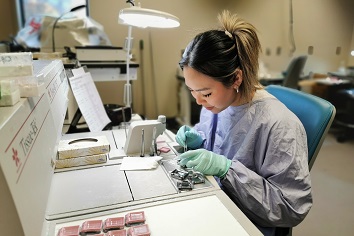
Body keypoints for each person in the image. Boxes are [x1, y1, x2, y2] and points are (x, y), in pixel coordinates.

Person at [175, 10, 312, 236]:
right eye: (192, 91)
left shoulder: (279, 125)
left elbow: (290, 208)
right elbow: (223, 141)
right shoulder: (217, 103)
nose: (198, 101)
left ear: (236, 78)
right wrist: (200, 139)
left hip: (247, 221)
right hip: (218, 200)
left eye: (206, 93)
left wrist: (227, 170)